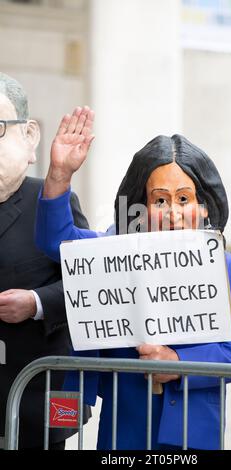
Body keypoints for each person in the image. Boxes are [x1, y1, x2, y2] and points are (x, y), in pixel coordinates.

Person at [35, 107, 231, 450]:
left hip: (195, 436)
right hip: (124, 434)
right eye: (160, 200)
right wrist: (59, 175)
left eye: (184, 199)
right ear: (140, 206)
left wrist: (181, 363)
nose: (172, 213)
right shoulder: (113, 253)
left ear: (204, 205)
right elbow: (56, 242)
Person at [0, 73, 90, 449]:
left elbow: (88, 282)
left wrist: (36, 304)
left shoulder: (50, 201)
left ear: (29, 136)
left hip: (37, 395)